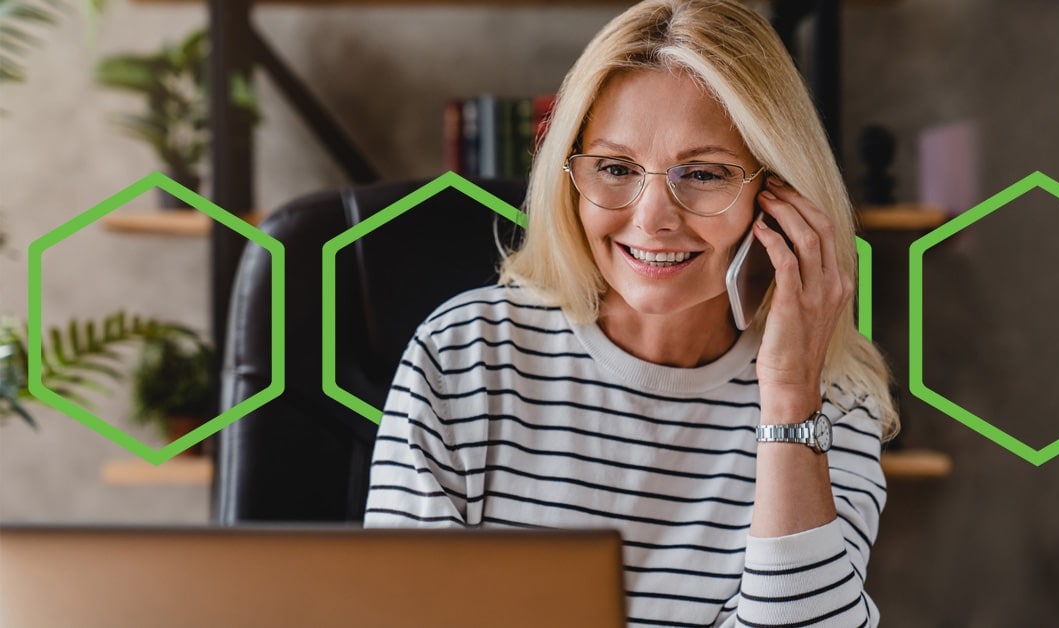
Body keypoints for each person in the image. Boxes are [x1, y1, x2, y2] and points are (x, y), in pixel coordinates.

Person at [365, 0, 898, 625]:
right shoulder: (463, 355)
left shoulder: (832, 402)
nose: (652, 218)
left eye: (702, 174)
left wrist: (786, 400)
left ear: (776, 195)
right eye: (616, 167)